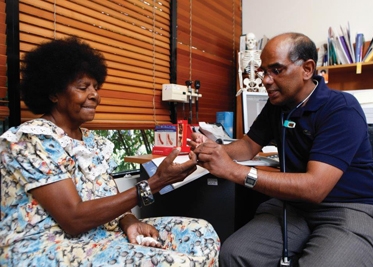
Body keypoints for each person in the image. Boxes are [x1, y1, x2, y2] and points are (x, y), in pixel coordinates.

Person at [0, 36, 220, 266]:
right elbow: (73, 219)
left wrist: (130, 221)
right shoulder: (30, 140)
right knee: (173, 263)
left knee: (201, 234)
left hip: (100, 234)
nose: (95, 95)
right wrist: (155, 183)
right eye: (83, 87)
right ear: (54, 93)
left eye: (96, 87)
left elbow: (111, 200)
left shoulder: (93, 143)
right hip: (45, 247)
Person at [190, 32, 373, 266]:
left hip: (352, 208)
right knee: (235, 254)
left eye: (276, 70)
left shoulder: (340, 109)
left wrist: (233, 171)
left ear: (307, 69)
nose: (266, 80)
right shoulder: (278, 105)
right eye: (263, 72)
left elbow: (315, 188)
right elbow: (248, 146)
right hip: (297, 206)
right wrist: (213, 151)